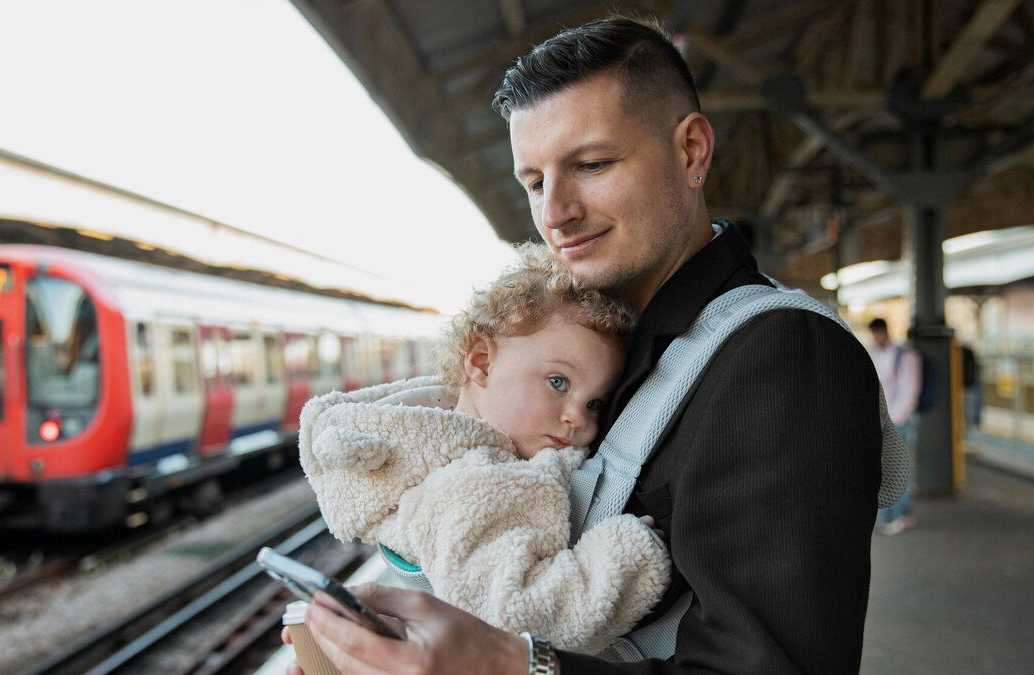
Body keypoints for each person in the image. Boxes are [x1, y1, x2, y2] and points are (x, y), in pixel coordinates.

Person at [291, 15, 904, 675]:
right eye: (534, 181)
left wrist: (508, 665)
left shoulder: (781, 355)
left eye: (590, 164)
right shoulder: (606, 353)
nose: (555, 211)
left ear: (693, 152)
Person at [298, 243, 671, 654]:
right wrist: (629, 556)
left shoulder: (436, 441)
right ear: (481, 362)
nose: (578, 418)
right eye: (558, 382)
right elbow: (520, 616)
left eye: (595, 403)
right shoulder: (478, 482)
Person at [867, 317, 921, 535]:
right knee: (886, 467)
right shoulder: (876, 354)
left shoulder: (905, 355)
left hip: (899, 421)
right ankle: (891, 514)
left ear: (885, 331)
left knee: (899, 468)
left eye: (877, 333)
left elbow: (911, 390)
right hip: (884, 420)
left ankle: (900, 515)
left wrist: (897, 418)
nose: (875, 338)